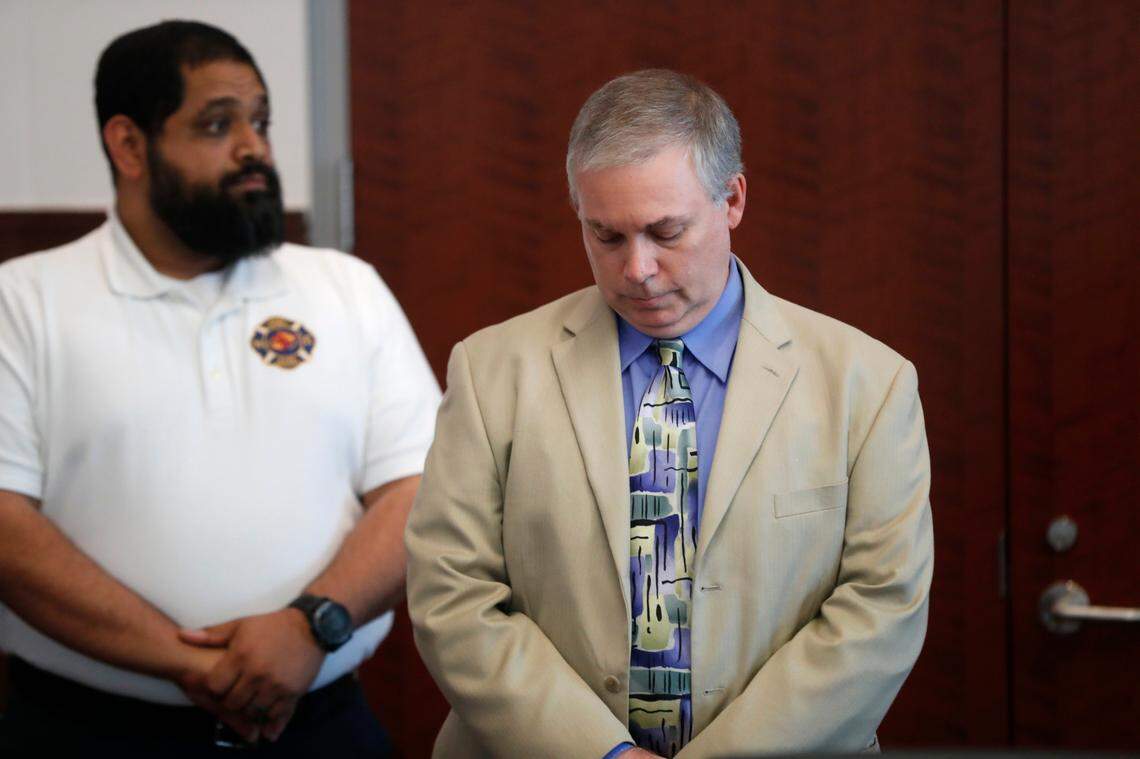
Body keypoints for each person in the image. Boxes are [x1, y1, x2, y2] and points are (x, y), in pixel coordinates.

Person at [405, 69, 933, 758]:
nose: (638, 269)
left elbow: (880, 610)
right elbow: (453, 593)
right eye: (607, 236)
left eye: (666, 230)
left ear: (733, 198)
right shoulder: (492, 371)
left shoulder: (868, 384)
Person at [0, 20, 439, 755]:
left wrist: (309, 626)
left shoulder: (343, 288)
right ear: (129, 144)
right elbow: (7, 528)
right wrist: (198, 665)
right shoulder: (24, 301)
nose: (254, 148)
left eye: (260, 121)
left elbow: (423, 486)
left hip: (321, 725)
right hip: (85, 730)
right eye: (216, 123)